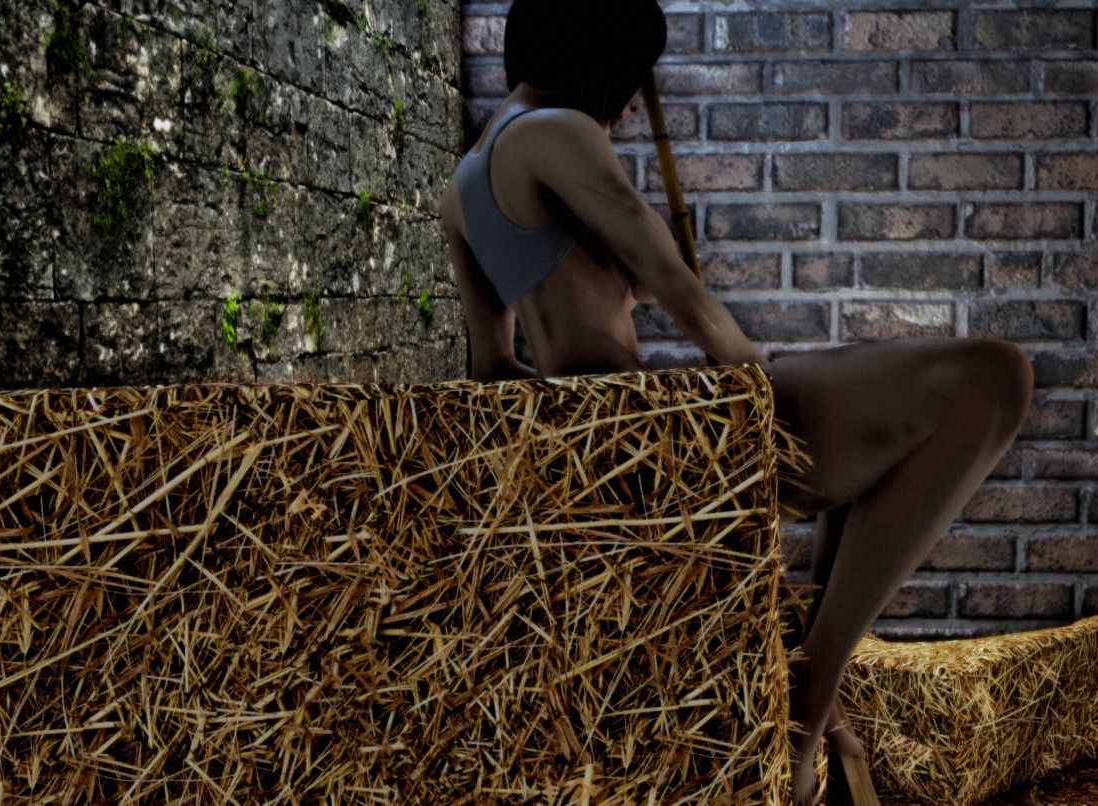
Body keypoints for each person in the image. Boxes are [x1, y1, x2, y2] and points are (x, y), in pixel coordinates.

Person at [439, 1, 1034, 802]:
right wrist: (748, 393)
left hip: (609, 453)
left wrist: (577, 462)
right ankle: (807, 708)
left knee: (881, 449)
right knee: (993, 379)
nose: (628, 108)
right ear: (597, 59)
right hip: (673, 436)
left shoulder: (463, 185)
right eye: (629, 80)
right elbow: (680, 289)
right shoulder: (557, 131)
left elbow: (493, 372)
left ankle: (812, 685)